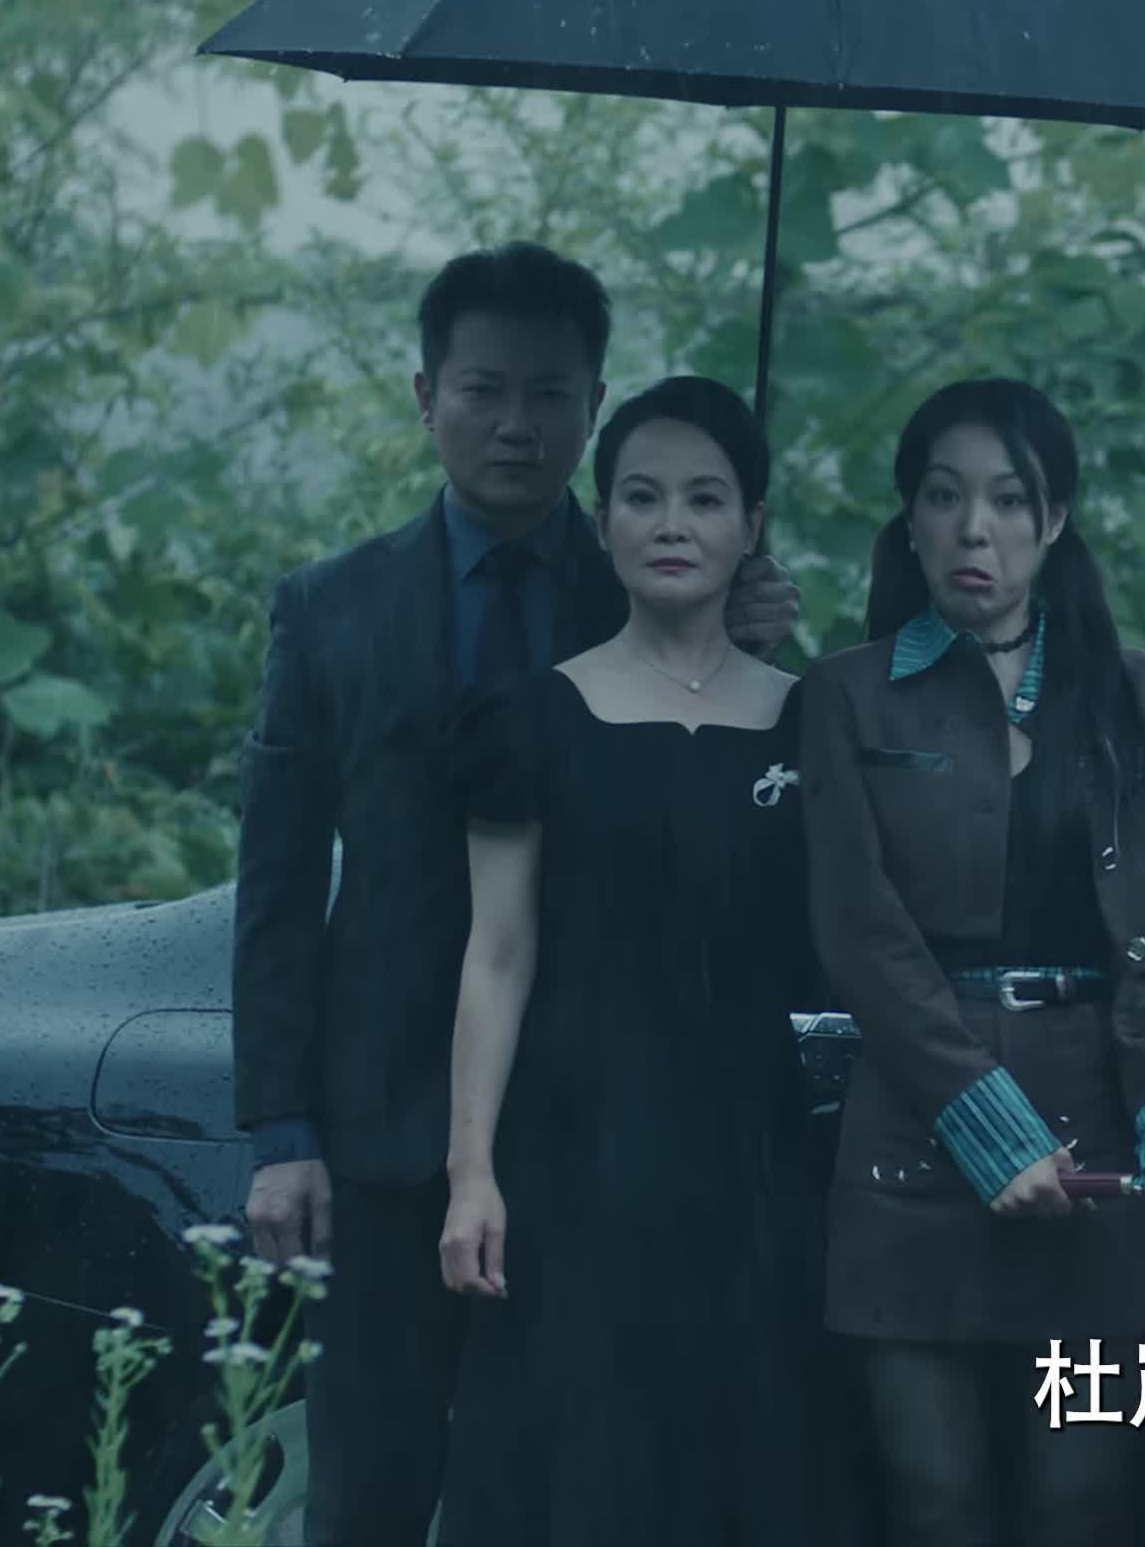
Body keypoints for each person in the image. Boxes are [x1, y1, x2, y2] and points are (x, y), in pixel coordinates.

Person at [227, 243, 801, 1547]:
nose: (516, 425)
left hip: (599, 1125)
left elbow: (730, 851)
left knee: (577, 1482)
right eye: (485, 390)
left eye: (551, 395)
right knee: (369, 1481)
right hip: (383, 1124)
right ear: (425, 395)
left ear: (594, 407)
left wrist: (734, 643)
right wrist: (283, 1133)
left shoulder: (658, 586)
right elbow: (277, 884)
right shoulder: (330, 611)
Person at [796, 377, 1145, 1547]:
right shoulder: (846, 695)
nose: (974, 529)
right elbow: (859, 933)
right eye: (944, 498)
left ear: (1054, 520)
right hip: (911, 1147)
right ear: (910, 518)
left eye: (1006, 499)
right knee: (933, 1502)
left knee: (1080, 1506)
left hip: (1098, 1152)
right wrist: (984, 1121)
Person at [430, 373, 857, 1545]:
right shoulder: (529, 718)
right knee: (589, 1465)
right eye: (642, 496)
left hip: (759, 1159)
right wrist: (472, 1174)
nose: (673, 524)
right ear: (602, 518)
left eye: (706, 499)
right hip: (579, 1160)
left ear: (752, 527)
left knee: (750, 1467)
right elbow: (496, 956)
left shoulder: (815, 721)